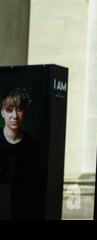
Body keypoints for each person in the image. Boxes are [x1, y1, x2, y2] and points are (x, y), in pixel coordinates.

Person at [0, 88, 41, 219]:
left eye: (19, 109)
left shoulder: (33, 145)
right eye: (9, 109)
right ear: (2, 112)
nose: (15, 116)